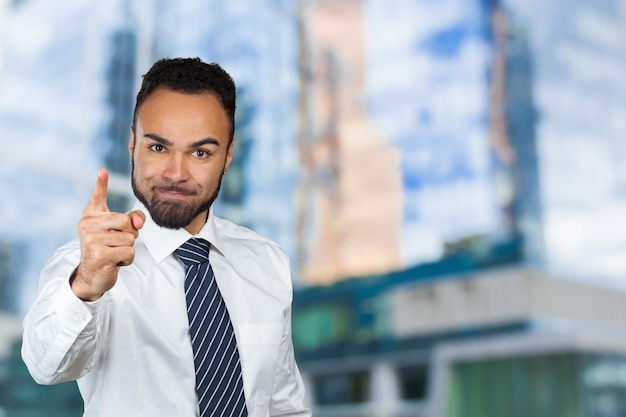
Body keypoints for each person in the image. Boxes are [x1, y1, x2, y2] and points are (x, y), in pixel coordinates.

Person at [21, 57, 311, 417]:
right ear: (132, 144)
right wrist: (86, 286)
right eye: (158, 148)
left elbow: (282, 403)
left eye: (200, 152)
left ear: (228, 156)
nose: (176, 173)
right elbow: (45, 366)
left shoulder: (268, 260)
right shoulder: (87, 264)